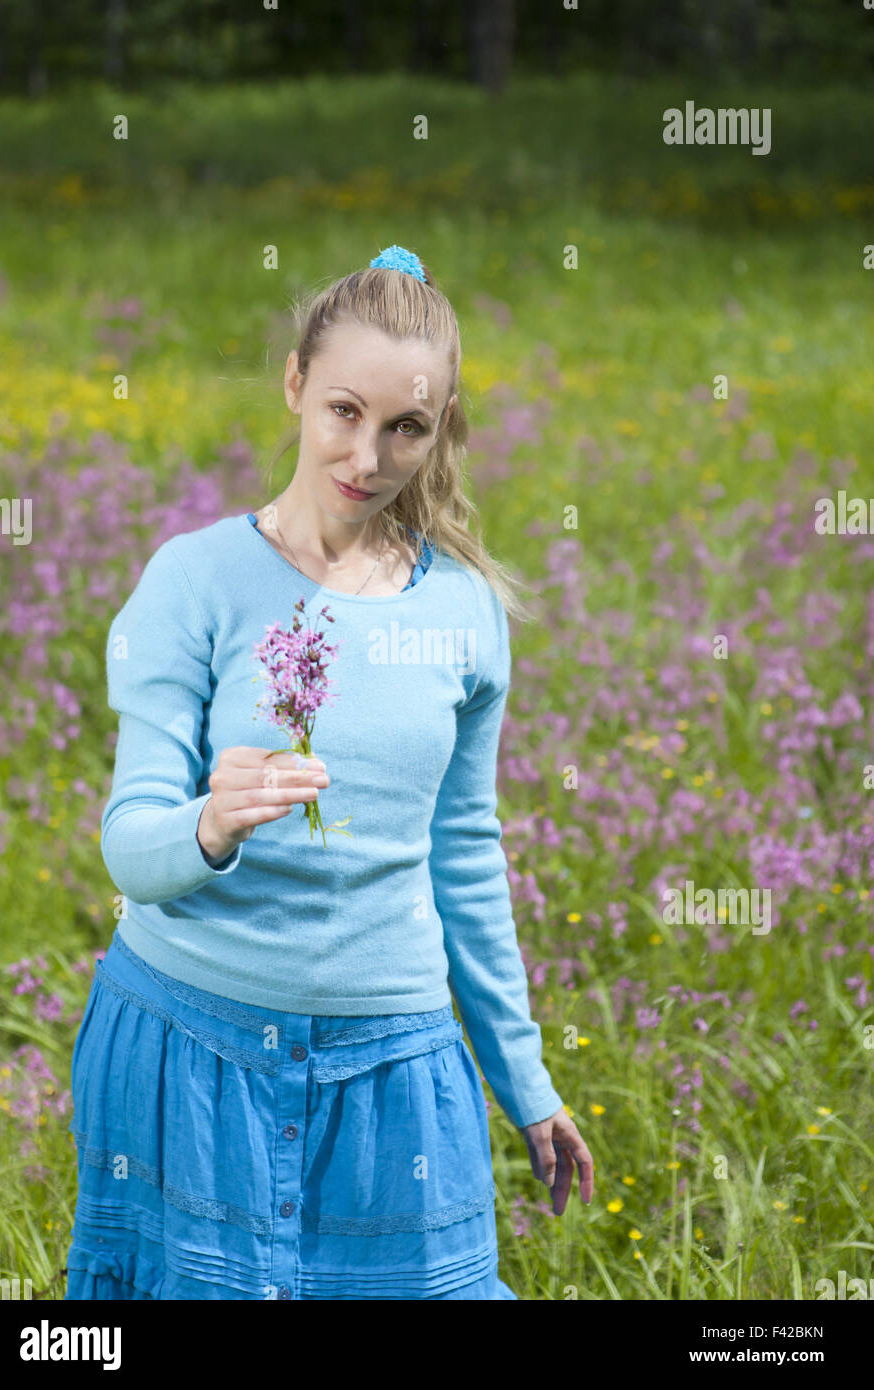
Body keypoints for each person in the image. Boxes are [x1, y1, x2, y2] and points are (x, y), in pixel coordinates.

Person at [64, 245, 593, 1301]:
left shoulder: (465, 613)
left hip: (392, 1064)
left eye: (407, 426)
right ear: (296, 382)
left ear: (439, 429)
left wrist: (522, 1075)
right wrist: (210, 826)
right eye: (344, 410)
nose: (369, 453)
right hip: (185, 1047)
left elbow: (465, 857)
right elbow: (131, 838)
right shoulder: (194, 579)